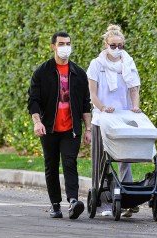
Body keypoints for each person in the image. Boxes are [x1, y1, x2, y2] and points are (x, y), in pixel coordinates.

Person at [27, 31, 91, 219]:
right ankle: (55, 205)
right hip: (49, 128)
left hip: (71, 129)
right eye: (61, 44)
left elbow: (85, 103)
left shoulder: (78, 73)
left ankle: (72, 201)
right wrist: (37, 122)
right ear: (53, 46)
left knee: (70, 163)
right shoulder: (42, 71)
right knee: (51, 166)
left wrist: (88, 129)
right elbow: (33, 100)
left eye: (68, 43)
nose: (65, 47)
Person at [87, 24, 141, 217]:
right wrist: (102, 107)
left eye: (120, 46)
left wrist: (135, 106)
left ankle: (127, 199)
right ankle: (103, 202)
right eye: (113, 45)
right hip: (102, 118)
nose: (117, 49)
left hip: (123, 117)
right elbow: (92, 94)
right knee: (101, 161)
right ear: (105, 44)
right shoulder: (96, 64)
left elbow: (134, 88)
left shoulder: (128, 63)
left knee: (124, 158)